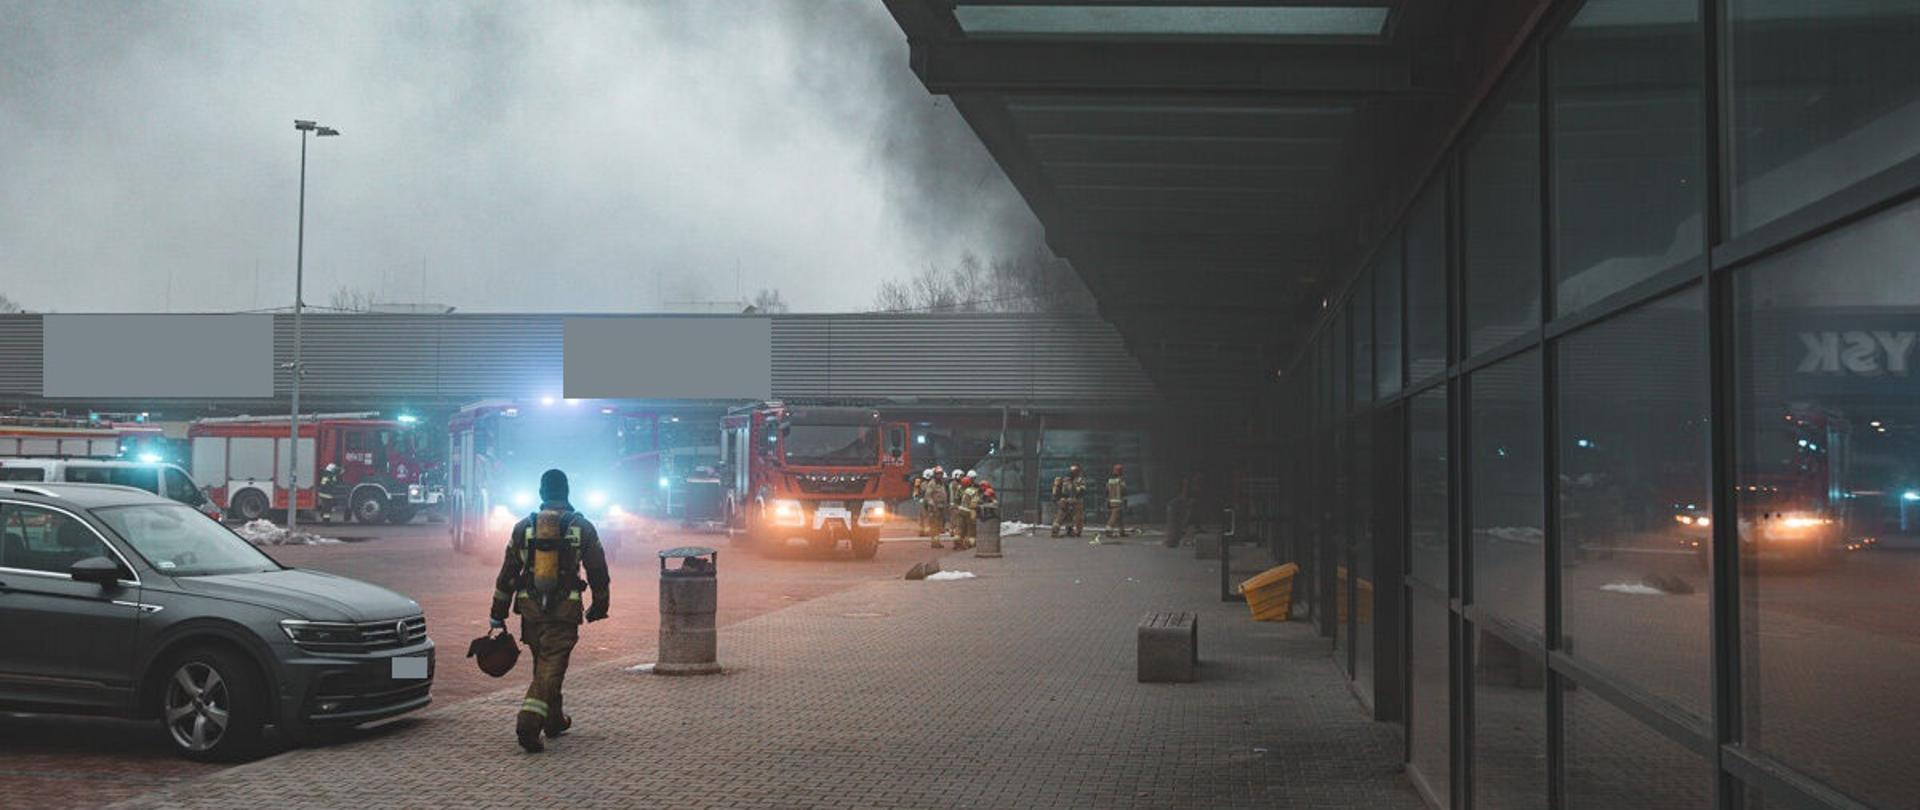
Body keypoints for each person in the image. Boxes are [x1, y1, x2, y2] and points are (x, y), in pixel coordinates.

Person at [488, 469, 611, 753]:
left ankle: (553, 721)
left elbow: (507, 574)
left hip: (530, 611)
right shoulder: (582, 527)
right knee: (551, 667)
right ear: (567, 492)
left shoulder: (523, 527)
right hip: (563, 611)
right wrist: (600, 605)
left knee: (543, 665)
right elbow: (598, 570)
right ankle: (528, 724)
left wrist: (497, 613)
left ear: (541, 494)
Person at [1051, 464, 1086, 537]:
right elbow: (1081, 491)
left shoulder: (1064, 479)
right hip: (1072, 500)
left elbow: (1057, 490)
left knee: (1066, 515)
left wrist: (1056, 498)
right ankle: (1075, 531)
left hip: (1066, 499)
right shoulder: (1078, 480)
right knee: (1075, 515)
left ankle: (1068, 530)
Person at [924, 468, 951, 548]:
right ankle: (935, 542)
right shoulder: (932, 483)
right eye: (938, 474)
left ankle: (937, 541)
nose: (940, 475)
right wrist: (932, 504)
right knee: (934, 525)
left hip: (941, 508)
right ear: (935, 475)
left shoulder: (941, 483)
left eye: (941, 474)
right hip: (934, 508)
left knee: (939, 525)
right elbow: (928, 495)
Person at [1105, 464, 1128, 537]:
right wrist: (1125, 501)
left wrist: (1107, 500)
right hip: (1118, 501)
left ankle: (1122, 531)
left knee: (1120, 516)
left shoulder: (1109, 480)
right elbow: (1124, 490)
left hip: (1111, 501)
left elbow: (1107, 490)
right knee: (1114, 516)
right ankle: (1109, 530)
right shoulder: (1120, 480)